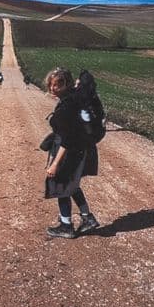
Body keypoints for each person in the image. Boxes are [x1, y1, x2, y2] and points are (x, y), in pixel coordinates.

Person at [39, 66, 101, 237]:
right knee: (73, 186)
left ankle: (66, 226)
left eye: (57, 85)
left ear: (66, 84)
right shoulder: (73, 100)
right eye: (51, 85)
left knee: (61, 186)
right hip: (79, 151)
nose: (52, 88)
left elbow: (67, 140)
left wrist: (55, 164)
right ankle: (87, 218)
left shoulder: (67, 106)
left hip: (70, 152)